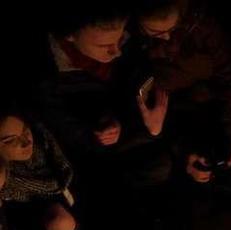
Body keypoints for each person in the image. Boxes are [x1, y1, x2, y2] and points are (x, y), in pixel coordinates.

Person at [39, 0, 171, 191]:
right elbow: (56, 120)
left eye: (118, 41)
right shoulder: (47, 70)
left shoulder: (125, 46)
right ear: (70, 36)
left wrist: (139, 123)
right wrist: (97, 130)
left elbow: (140, 83)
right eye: (105, 45)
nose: (115, 51)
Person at [133, 0, 231, 187]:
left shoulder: (201, 27)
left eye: (172, 30)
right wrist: (154, 128)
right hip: (159, 106)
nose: (166, 37)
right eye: (157, 33)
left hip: (198, 105)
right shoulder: (132, 40)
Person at [0, 105, 81, 230]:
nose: (26, 141)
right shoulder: (6, 184)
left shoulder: (46, 143)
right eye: (11, 140)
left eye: (25, 130)